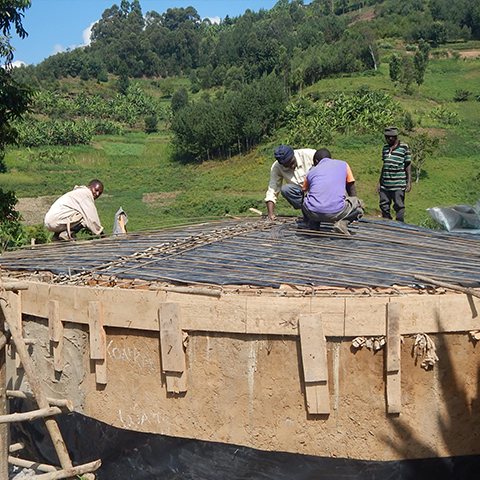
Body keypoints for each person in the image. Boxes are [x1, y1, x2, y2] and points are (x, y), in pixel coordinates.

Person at [302, 149, 364, 235]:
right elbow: (351, 188)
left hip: (313, 213)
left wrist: (307, 217)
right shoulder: (343, 165)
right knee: (359, 204)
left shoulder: (310, 172)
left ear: (316, 161)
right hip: (337, 212)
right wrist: (351, 207)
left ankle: (314, 223)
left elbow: (303, 193)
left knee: (308, 196)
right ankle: (343, 223)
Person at [265, 145, 315, 220]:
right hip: (302, 194)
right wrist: (270, 213)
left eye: (292, 162)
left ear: (293, 155)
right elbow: (272, 189)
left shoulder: (309, 155)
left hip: (318, 190)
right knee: (285, 189)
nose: (291, 166)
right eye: (287, 166)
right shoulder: (277, 167)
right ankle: (308, 210)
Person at [376, 126, 411, 222]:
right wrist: (379, 182)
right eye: (386, 137)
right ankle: (387, 223)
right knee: (384, 205)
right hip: (385, 183)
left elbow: (407, 165)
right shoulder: (385, 149)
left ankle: (399, 225)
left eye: (389, 137)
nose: (387, 139)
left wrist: (408, 182)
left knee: (399, 205)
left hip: (398, 183)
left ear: (395, 137)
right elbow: (385, 165)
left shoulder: (404, 147)